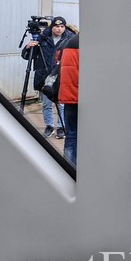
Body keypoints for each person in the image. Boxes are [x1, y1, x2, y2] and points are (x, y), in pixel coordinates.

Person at [21, 16, 75, 139]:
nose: (59, 29)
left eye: (62, 26)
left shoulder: (69, 39)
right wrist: (28, 47)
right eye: (56, 26)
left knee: (61, 104)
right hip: (45, 76)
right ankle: (49, 126)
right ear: (52, 27)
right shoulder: (43, 39)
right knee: (46, 104)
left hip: (61, 75)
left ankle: (61, 127)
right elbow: (27, 56)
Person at [57, 33, 79, 166]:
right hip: (85, 97)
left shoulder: (69, 42)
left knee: (71, 135)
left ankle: (68, 168)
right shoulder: (90, 43)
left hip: (69, 96)